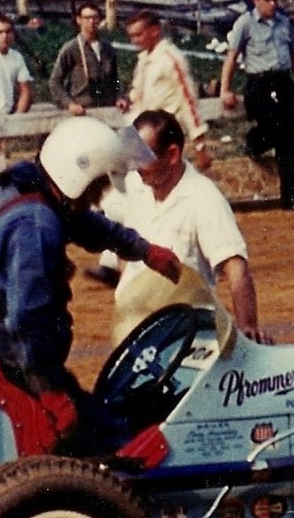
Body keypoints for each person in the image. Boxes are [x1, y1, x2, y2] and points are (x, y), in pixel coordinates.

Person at [0, 118, 181, 451]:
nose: (97, 196)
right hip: (12, 355)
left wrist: (142, 250)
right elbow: (27, 322)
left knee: (100, 415)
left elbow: (83, 222)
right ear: (78, 177)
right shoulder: (36, 227)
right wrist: (51, 392)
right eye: (96, 186)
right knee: (104, 439)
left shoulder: (28, 185)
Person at [111, 110, 269, 343]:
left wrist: (248, 327)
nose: (135, 166)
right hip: (132, 332)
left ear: (172, 154)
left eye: (142, 158)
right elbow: (124, 248)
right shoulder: (133, 186)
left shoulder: (203, 197)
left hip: (184, 334)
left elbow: (236, 268)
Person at [219, 0, 294, 212]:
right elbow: (231, 57)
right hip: (259, 82)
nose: (272, 4)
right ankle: (254, 143)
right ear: (255, 0)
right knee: (273, 128)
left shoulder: (283, 23)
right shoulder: (245, 24)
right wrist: (225, 89)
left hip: (282, 81)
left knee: (288, 140)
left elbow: (293, 57)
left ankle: (289, 197)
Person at [125, 9, 211, 167]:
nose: (134, 41)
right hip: (141, 131)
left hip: (163, 133)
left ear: (154, 31)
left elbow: (188, 100)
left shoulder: (171, 58)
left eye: (138, 35)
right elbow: (139, 95)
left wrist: (200, 145)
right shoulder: (144, 59)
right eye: (131, 36)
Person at [50, 3, 125, 114]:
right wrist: (69, 104)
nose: (91, 21)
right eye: (87, 18)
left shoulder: (107, 48)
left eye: (95, 17)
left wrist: (120, 97)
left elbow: (115, 79)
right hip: (82, 110)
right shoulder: (71, 48)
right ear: (79, 20)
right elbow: (55, 82)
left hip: (107, 108)